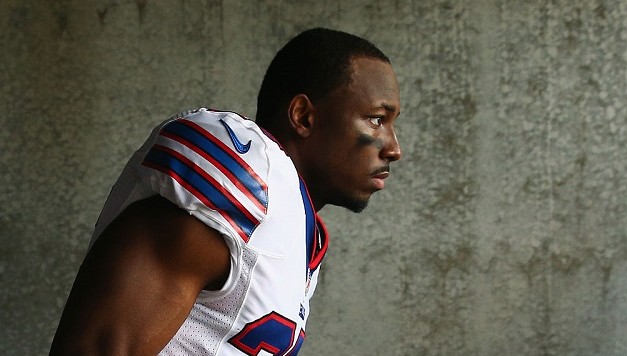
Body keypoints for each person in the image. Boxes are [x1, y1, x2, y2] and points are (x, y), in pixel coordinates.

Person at [50, 27, 402, 355]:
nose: (394, 148)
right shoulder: (247, 177)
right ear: (303, 117)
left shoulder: (298, 233)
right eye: (376, 119)